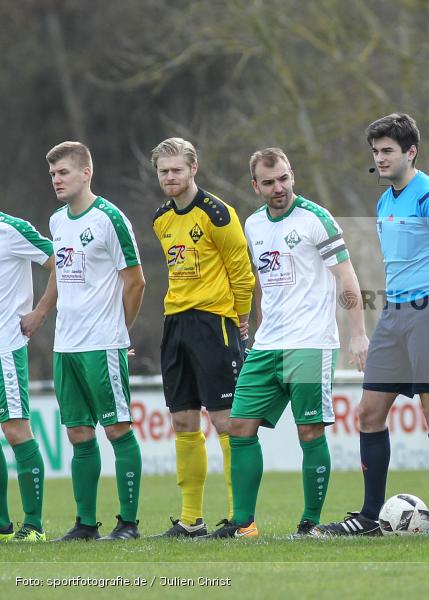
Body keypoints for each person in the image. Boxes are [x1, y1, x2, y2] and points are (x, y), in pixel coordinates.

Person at [204, 148, 368, 538]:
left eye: (283, 178)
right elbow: (263, 283)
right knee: (239, 425)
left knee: (310, 432)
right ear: (255, 186)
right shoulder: (253, 225)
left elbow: (347, 278)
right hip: (266, 345)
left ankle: (309, 524)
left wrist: (358, 333)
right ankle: (244, 524)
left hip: (310, 343)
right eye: (269, 182)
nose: (279, 188)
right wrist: (253, 324)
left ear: (292, 175)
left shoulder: (316, 219)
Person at [314, 114, 429, 536]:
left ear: (410, 152)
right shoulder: (384, 202)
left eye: (387, 151)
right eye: (375, 152)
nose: (379, 158)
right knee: (369, 412)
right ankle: (368, 515)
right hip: (394, 315)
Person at [149, 137, 255, 538]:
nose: (170, 177)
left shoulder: (219, 214)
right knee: (182, 420)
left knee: (226, 421)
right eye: (164, 171)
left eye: (177, 169)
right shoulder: (160, 218)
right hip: (175, 323)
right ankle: (191, 519)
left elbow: (242, 273)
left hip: (215, 323)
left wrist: (240, 319)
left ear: (194, 168)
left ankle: (239, 518)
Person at [46, 141, 146, 541]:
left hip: (101, 344)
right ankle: (85, 524)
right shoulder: (56, 221)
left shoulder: (110, 218)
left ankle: (129, 524)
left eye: (63, 172)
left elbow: (136, 281)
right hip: (64, 346)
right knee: (77, 433)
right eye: (53, 174)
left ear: (86, 173)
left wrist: (119, 332)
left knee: (117, 429)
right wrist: (40, 313)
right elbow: (59, 274)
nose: (56, 179)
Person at [0, 212, 56, 542]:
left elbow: (61, 262)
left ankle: (34, 525)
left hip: (6, 347)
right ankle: (3, 527)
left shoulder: (12, 228)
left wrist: (40, 312)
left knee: (16, 429)